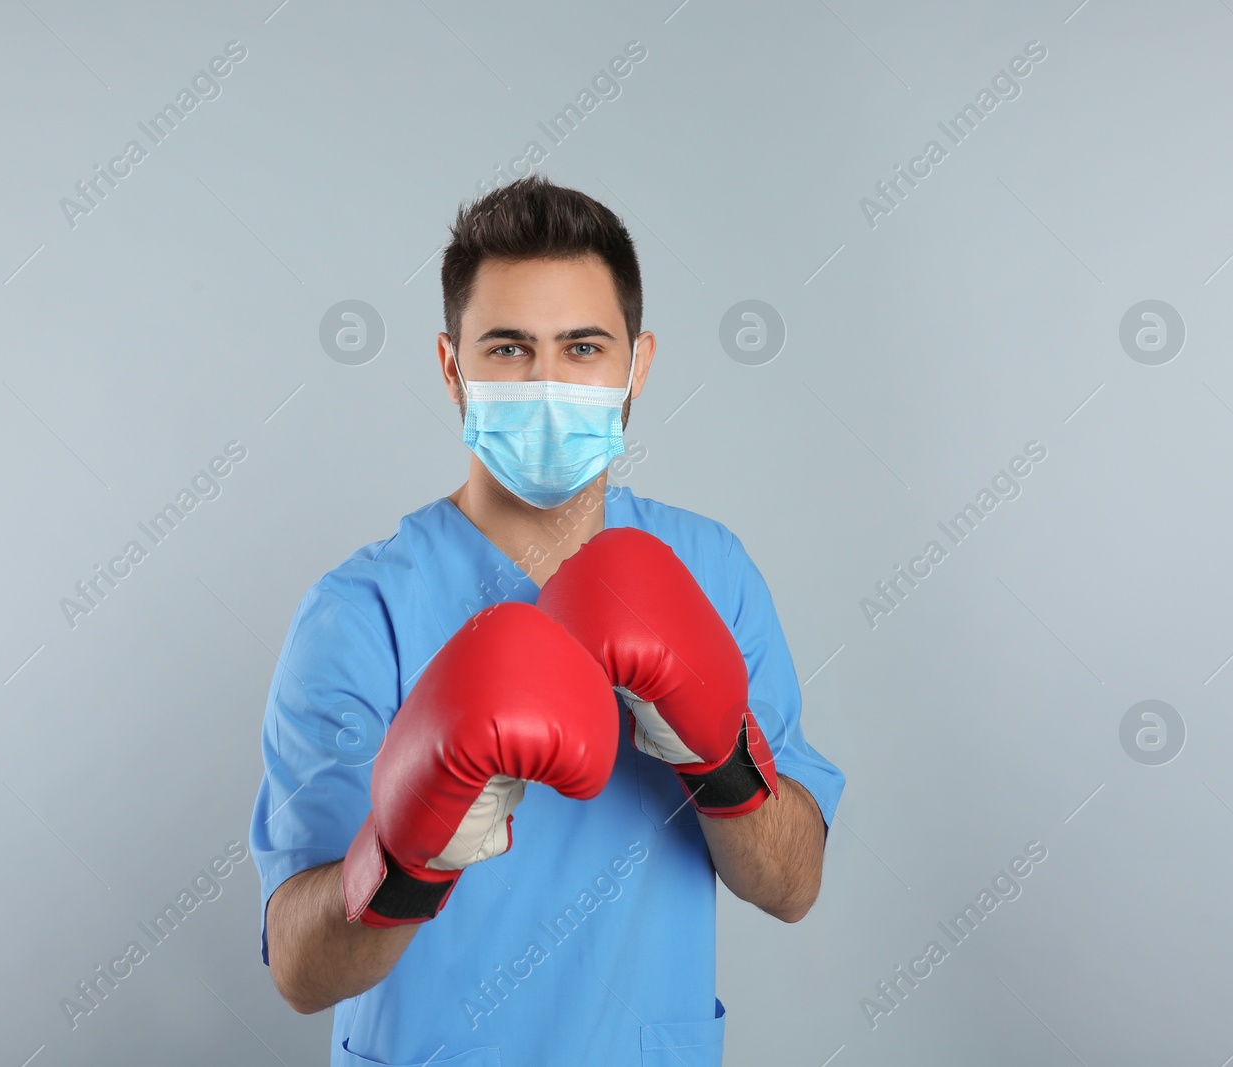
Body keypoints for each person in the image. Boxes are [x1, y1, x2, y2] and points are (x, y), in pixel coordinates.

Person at [249, 174, 845, 1067]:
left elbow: (794, 884)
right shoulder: (359, 611)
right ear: (453, 368)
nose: (548, 380)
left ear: (636, 365)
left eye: (582, 347)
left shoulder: (711, 572)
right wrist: (409, 857)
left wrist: (718, 756)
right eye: (509, 349)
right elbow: (300, 970)